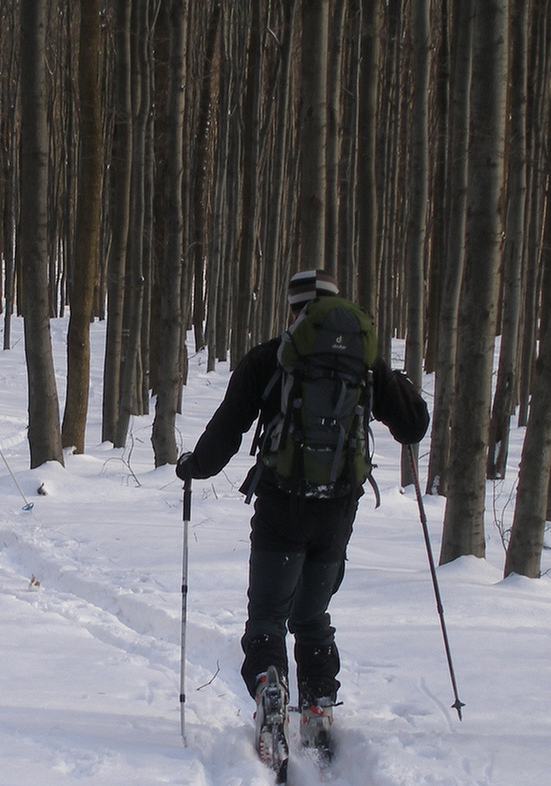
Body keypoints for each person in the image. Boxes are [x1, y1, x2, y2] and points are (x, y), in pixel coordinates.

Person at [175, 269, 429, 746]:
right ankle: (317, 704)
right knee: (312, 616)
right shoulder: (364, 363)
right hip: (337, 510)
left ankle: (271, 688)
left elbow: (228, 429)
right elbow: (413, 426)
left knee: (268, 615)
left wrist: (194, 467)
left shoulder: (269, 358)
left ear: (294, 309)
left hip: (281, 507)